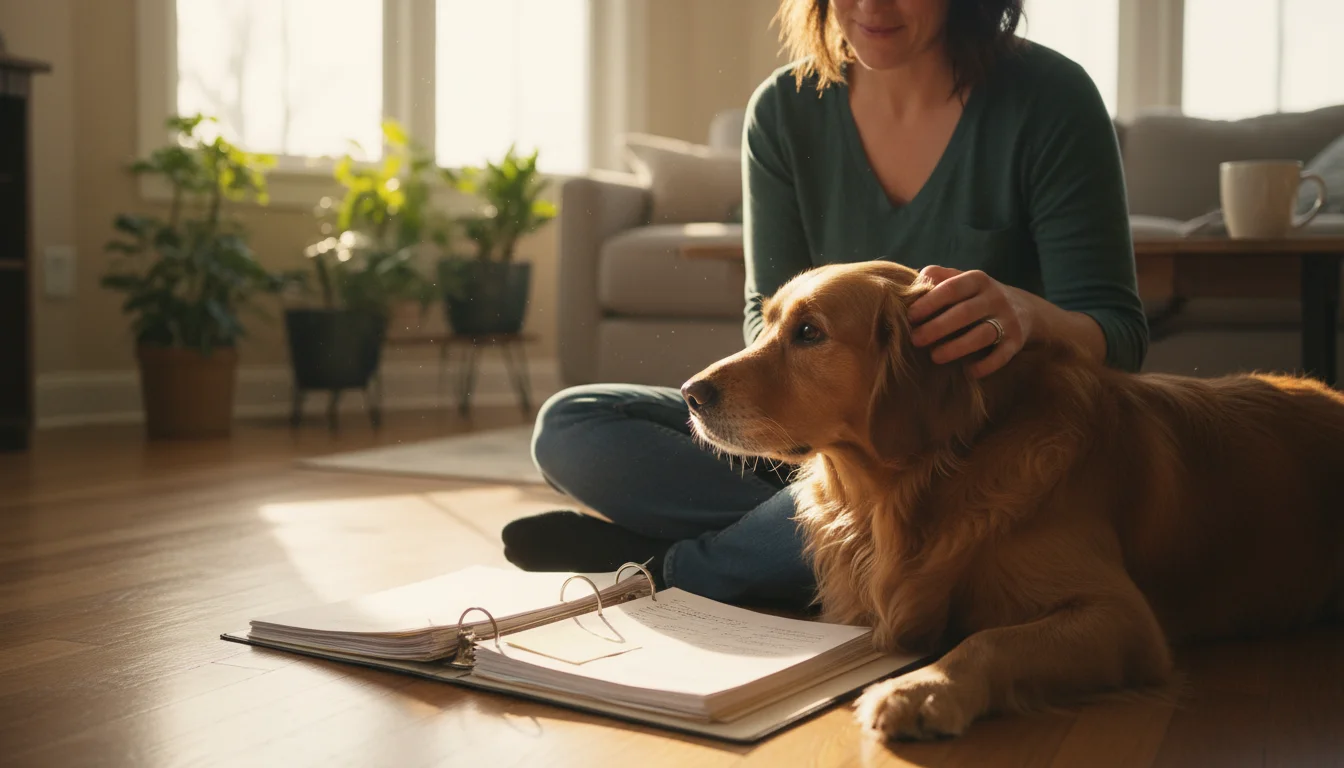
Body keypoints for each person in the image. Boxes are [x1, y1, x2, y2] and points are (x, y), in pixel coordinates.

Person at [500, 0, 1148, 610]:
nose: (870, 6)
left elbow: (1117, 333)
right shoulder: (783, 111)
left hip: (967, 458)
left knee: (906, 518)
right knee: (572, 424)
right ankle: (766, 557)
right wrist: (817, 420)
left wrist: (1029, 314)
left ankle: (668, 571)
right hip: (828, 455)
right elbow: (767, 320)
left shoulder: (1051, 99)